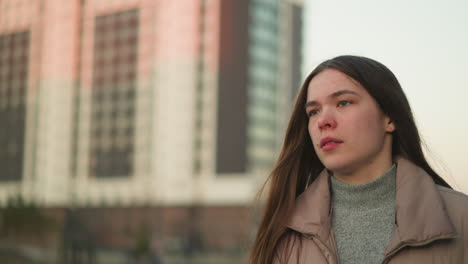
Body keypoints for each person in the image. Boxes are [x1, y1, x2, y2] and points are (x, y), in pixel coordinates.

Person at [249, 55, 468, 263]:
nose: (323, 121)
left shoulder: (461, 218)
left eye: (343, 103)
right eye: (313, 112)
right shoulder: (285, 230)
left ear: (390, 118)